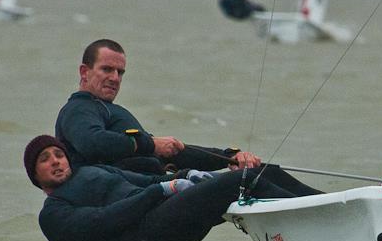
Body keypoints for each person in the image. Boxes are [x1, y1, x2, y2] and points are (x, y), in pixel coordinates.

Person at [25, 135, 320, 241]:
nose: (56, 161)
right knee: (236, 183)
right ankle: (316, 220)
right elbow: (105, 221)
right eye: (44, 159)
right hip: (148, 236)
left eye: (58, 154)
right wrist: (163, 191)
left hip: (164, 212)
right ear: (35, 175)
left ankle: (328, 204)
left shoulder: (91, 171)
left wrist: (188, 176)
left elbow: (147, 182)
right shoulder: (53, 213)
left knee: (257, 173)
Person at [55, 39, 262, 175]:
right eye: (107, 69)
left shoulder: (112, 112)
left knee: (258, 173)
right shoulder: (79, 109)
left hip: (151, 189)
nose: (115, 78)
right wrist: (150, 144)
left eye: (120, 72)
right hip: (122, 201)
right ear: (84, 72)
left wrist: (229, 157)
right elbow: (92, 143)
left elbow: (173, 153)